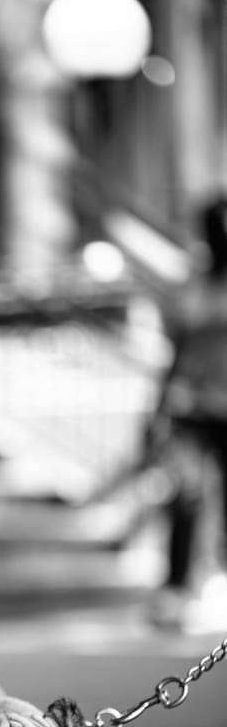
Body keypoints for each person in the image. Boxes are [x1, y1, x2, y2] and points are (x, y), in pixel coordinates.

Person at [148, 195, 227, 630]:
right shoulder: (191, 288)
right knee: (185, 495)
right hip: (192, 408)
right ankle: (175, 589)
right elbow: (173, 354)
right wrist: (157, 409)